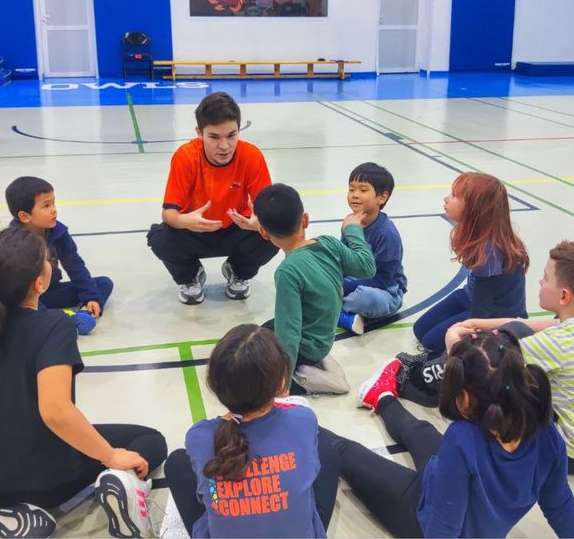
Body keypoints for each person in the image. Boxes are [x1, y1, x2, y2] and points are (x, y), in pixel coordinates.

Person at [0, 227, 167, 538]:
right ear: (40, 282)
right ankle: (121, 484)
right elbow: (56, 412)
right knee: (150, 441)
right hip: (45, 484)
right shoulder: (53, 326)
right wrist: (110, 457)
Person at [321, 328, 574, 538]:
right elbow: (559, 504)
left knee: (345, 452)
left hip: (420, 514)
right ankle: (382, 397)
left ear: (465, 398)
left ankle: (293, 418)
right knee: (422, 430)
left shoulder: (463, 439)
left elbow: (443, 529)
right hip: (448, 480)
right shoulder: (546, 431)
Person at [402, 241, 574, 475]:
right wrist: (473, 324)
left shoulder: (556, 343)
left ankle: (416, 381)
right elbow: (524, 324)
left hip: (571, 454)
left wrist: (452, 337)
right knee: (515, 338)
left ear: (564, 296)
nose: (540, 282)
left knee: (495, 383)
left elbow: (477, 366)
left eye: (545, 278)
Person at [164, 324, 340, 538]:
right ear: (282, 383)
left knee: (177, 462)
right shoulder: (303, 419)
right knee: (326, 452)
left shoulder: (200, 436)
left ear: (214, 385)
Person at [146, 92, 279, 304]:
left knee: (273, 232)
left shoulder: (251, 156)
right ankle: (190, 276)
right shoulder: (186, 157)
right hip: (194, 230)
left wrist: (258, 223)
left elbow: (268, 209)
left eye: (231, 135)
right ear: (199, 133)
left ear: (239, 129)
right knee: (159, 238)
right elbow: (168, 213)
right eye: (214, 137)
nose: (225, 146)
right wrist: (184, 220)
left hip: (237, 229)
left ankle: (237, 270)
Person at [254, 183, 376, 395]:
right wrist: (353, 230)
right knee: (264, 330)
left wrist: (283, 381)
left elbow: (289, 331)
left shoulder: (288, 271)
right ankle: (318, 358)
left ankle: (306, 378)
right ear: (305, 219)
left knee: (257, 359)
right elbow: (367, 267)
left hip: (308, 348)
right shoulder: (329, 243)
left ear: (264, 233)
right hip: (325, 337)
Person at [410, 172, 529, 356]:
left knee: (431, 342)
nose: (446, 198)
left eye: (454, 195)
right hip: (470, 296)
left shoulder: (490, 251)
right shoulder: (480, 236)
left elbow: (481, 311)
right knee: (420, 329)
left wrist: (470, 337)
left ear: (474, 209)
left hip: (494, 313)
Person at [6, 176, 112, 334]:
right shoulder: (14, 241)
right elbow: (14, 287)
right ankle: (54, 321)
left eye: (53, 203)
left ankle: (83, 314)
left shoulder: (58, 232)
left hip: (50, 290)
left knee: (104, 283)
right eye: (46, 206)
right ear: (24, 216)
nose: (54, 209)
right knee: (18, 307)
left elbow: (75, 265)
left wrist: (91, 297)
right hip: (26, 297)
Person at [337, 162, 408, 335]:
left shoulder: (387, 233)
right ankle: (340, 311)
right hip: (353, 281)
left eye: (363, 190)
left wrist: (343, 288)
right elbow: (343, 261)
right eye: (351, 189)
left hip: (385, 290)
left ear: (382, 197)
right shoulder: (350, 222)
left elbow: (384, 279)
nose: (354, 195)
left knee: (364, 298)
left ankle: (335, 312)